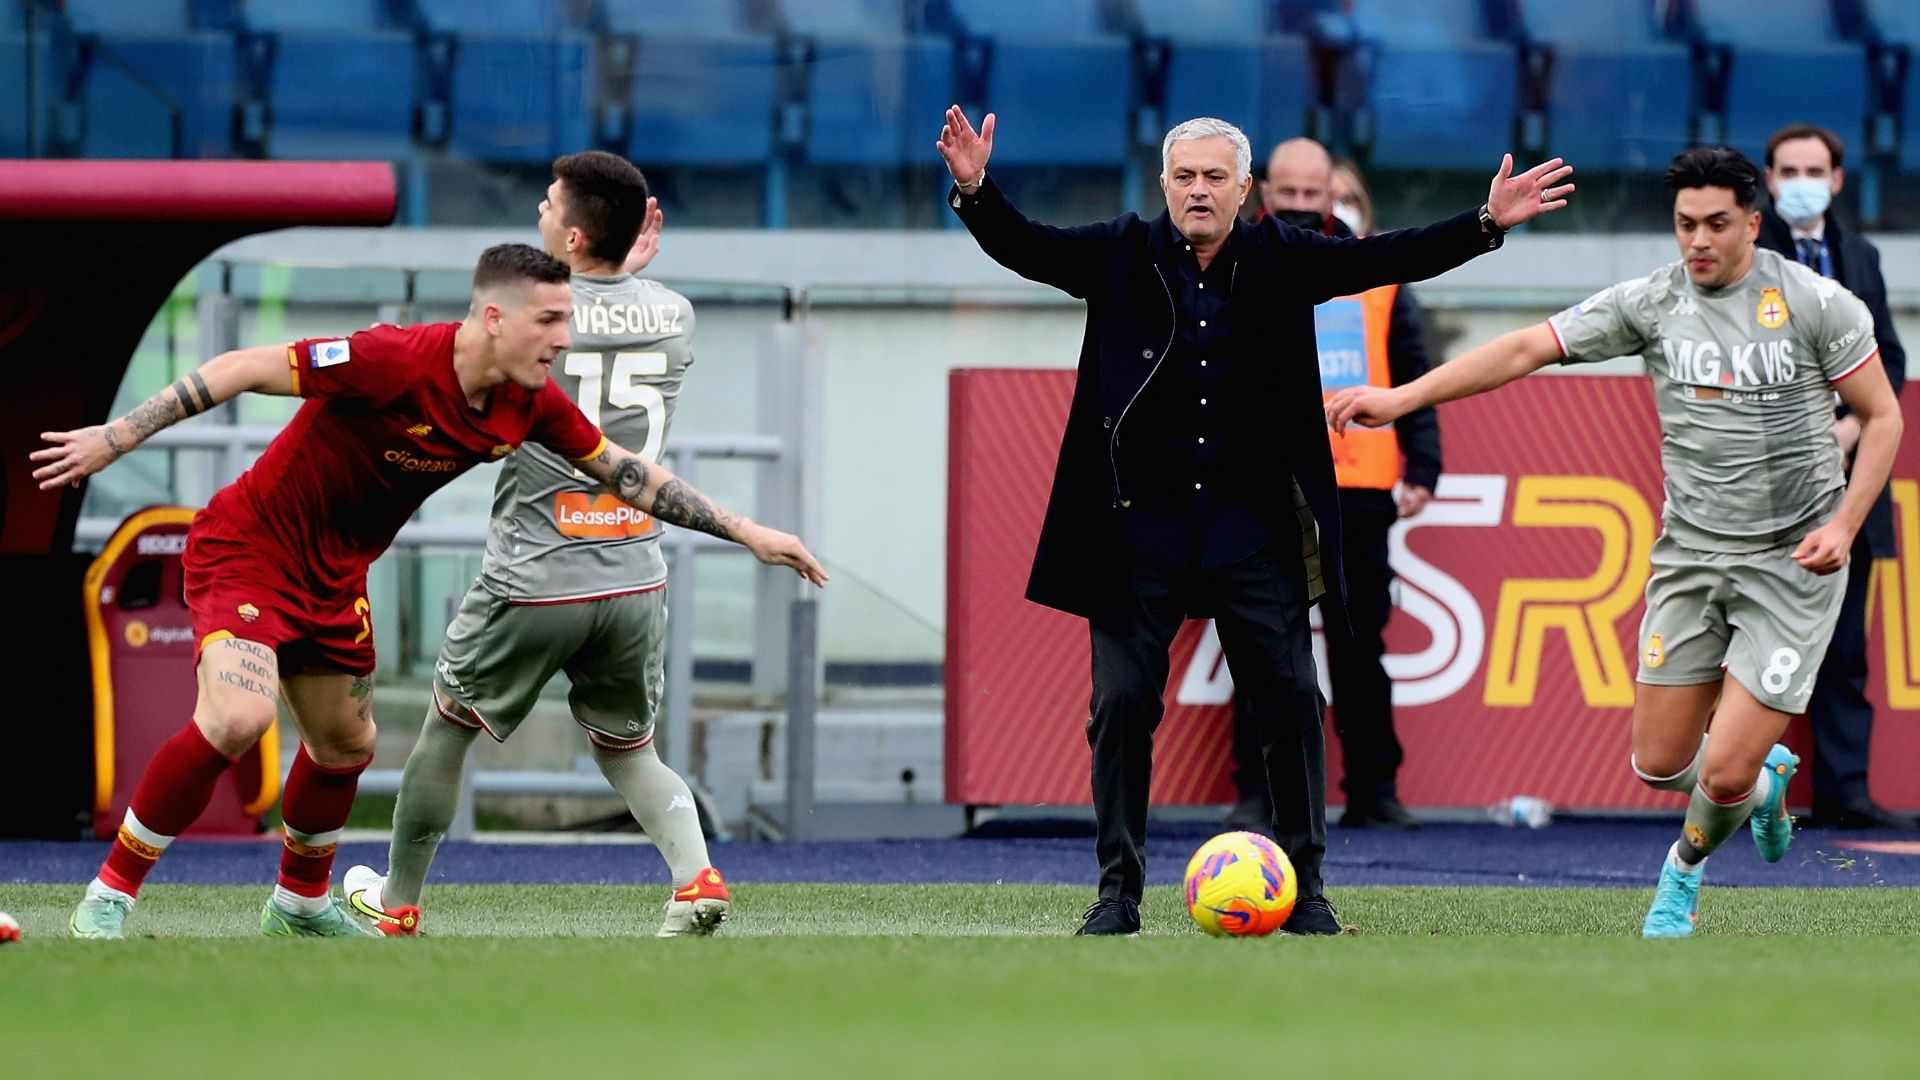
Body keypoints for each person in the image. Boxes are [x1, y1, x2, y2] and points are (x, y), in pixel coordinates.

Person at [39, 243, 827, 940]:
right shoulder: (391, 359)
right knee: (239, 715)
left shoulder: (529, 403)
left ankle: (299, 905)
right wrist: (117, 436)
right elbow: (244, 365)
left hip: (335, 574)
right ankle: (110, 896)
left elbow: (626, 473)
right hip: (249, 549)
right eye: (550, 320)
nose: (565, 336)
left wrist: (745, 530)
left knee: (347, 746)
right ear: (493, 317)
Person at [936, 104, 1573, 935]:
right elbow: (1028, 246)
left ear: (1246, 189)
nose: (1198, 191)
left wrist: (1487, 221)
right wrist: (977, 190)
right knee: (1121, 706)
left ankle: (1307, 888)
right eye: (1184, 177)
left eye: (1214, 178)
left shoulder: (1284, 256)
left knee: (1292, 699)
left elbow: (1390, 254)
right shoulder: (1121, 251)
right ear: (1164, 183)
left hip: (1253, 528)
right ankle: (1117, 892)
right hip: (1138, 531)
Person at [1329, 148, 1904, 937]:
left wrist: (1843, 525)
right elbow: (1527, 347)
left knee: (1725, 766)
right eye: (1683, 225)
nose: (1697, 240)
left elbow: (1884, 417)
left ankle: (1682, 876)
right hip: (1692, 556)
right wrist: (1401, 398)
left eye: (1715, 225)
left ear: (1753, 225)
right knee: (1661, 764)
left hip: (1793, 559)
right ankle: (1763, 791)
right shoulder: (1654, 302)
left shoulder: (1816, 303)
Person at [340, 153, 737, 939]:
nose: (539, 210)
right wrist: (623, 273)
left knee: (448, 727)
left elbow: (522, 332)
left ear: (575, 233)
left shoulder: (532, 313)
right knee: (630, 749)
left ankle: (398, 902)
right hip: (634, 571)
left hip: (536, 570)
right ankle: (696, 878)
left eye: (549, 205)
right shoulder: (675, 312)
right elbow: (621, 302)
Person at [1224, 139, 1441, 832]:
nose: (1296, 208)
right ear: (1264, 194)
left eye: (1310, 197)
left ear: (1331, 196)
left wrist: (1425, 463)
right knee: (1262, 644)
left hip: (1358, 486)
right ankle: (1258, 794)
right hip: (1262, 481)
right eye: (1284, 196)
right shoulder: (1231, 263)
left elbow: (1412, 372)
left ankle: (1373, 789)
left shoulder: (1374, 271)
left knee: (1359, 648)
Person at [1758, 123, 1916, 830]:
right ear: (1767, 178)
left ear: (1838, 179)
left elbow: (1889, 356)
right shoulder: (1747, 257)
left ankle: (1845, 793)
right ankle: (1742, 796)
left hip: (1851, 483)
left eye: (1813, 169)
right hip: (1765, 485)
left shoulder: (1864, 256)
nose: (1800, 181)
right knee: (1757, 647)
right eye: (1787, 169)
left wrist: (1854, 424)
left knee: (1846, 649)